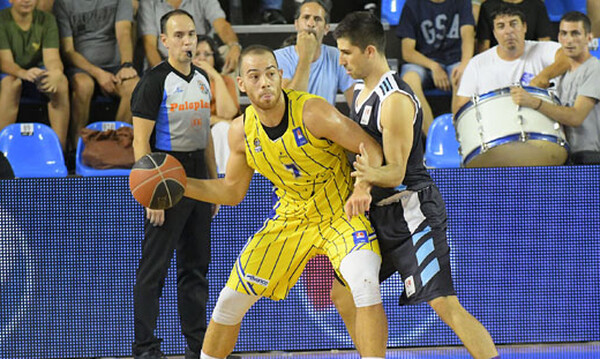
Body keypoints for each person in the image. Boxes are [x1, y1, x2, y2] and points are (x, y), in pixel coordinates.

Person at [184, 45, 388, 359]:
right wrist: (181, 185)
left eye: (270, 73)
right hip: (291, 218)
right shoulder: (240, 133)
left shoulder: (312, 111)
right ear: (242, 84)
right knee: (228, 302)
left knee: (364, 283)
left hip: (340, 212)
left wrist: (363, 185)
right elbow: (232, 193)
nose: (264, 82)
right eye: (254, 76)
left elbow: (370, 146)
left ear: (281, 76)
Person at [331, 11, 500, 359]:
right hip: (377, 217)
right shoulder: (361, 92)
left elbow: (393, 173)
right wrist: (361, 185)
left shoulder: (393, 100)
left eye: (346, 52)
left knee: (444, 304)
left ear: (369, 52)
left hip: (412, 213)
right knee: (343, 294)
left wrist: (362, 178)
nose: (341, 60)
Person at [130, 10, 218, 359]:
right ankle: (146, 349)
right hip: (165, 170)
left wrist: (213, 184)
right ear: (163, 40)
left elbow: (206, 135)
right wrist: (151, 193)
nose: (187, 42)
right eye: (179, 35)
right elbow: (140, 141)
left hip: (198, 172)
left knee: (196, 268)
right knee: (154, 268)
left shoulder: (202, 79)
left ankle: (198, 348)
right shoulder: (154, 81)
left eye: (192, 35)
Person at [510, 11, 600, 165]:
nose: (569, 40)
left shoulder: (595, 68)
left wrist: (534, 102)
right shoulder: (563, 75)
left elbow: (575, 117)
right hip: (567, 155)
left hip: (590, 157)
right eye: (564, 34)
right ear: (559, 38)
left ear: (589, 38)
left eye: (575, 33)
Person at [53, 0, 139, 150]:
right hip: (82, 68)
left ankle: (116, 146)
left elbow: (124, 31)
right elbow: (68, 51)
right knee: (83, 85)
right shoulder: (63, 3)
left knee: (134, 85)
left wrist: (126, 65)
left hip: (116, 67)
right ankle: (77, 148)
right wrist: (98, 73)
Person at [454, 6, 569, 113]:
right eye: (501, 26)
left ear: (524, 27)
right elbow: (461, 108)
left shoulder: (541, 49)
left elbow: (568, 56)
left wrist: (544, 76)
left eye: (513, 24)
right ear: (494, 33)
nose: (508, 31)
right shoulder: (477, 64)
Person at [396, 0, 475, 135]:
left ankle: (458, 137)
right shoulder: (412, 5)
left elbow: (468, 35)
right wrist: (434, 66)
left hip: (454, 61)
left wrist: (465, 64)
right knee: (409, 79)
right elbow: (407, 52)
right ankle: (434, 137)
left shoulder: (462, 2)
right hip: (424, 63)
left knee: (464, 76)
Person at [0, 0, 69, 150]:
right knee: (11, 84)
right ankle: (2, 153)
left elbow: (52, 57)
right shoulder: (2, 19)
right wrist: (23, 73)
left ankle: (59, 151)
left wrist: (56, 72)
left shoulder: (47, 19)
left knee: (61, 82)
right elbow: (5, 62)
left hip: (37, 73)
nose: (27, 1)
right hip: (13, 73)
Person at [274, 0, 355, 106]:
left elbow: (355, 103)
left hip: (325, 121)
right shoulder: (278, 57)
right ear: (296, 24)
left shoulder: (336, 56)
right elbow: (288, 106)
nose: (311, 24)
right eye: (306, 17)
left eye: (317, 19)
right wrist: (306, 56)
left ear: (326, 29)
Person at [138, 0, 241, 73]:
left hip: (199, 58)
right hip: (165, 61)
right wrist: (165, 75)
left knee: (229, 52)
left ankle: (226, 101)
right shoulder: (148, 2)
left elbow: (221, 24)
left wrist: (234, 46)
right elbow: (149, 45)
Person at [193, 34, 239, 173]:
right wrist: (215, 119)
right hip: (195, 135)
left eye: (207, 54)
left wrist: (216, 78)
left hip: (223, 134)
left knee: (223, 129)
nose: (202, 59)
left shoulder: (225, 81)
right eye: (196, 54)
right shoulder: (182, 83)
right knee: (222, 127)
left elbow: (228, 114)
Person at [477, 0, 552, 53]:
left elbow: (544, 43)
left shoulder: (537, 5)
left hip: (530, 59)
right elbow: (484, 47)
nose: (508, 31)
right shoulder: (487, 6)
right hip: (497, 61)